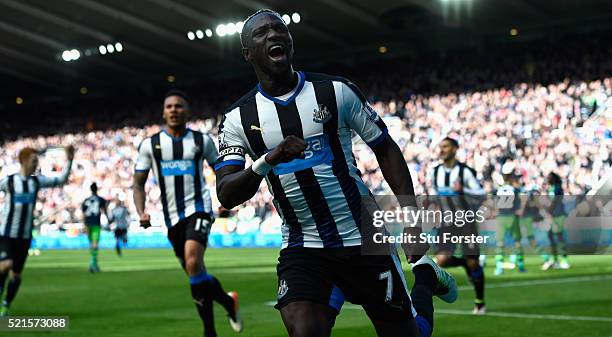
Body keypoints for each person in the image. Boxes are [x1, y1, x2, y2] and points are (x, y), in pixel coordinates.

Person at [215, 9, 457, 337]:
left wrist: (411, 221)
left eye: (279, 29)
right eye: (262, 33)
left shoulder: (336, 91)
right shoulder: (237, 119)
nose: (273, 34)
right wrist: (268, 159)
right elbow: (227, 192)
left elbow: (385, 148)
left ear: (290, 41)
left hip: (364, 237)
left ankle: (426, 278)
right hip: (304, 245)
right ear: (248, 53)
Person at [133, 90, 242, 337]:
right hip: (171, 218)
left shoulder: (201, 141)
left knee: (193, 263)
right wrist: (141, 211)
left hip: (199, 209)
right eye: (169, 106)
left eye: (178, 106)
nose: (174, 110)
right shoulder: (150, 145)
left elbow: (220, 170)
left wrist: (226, 198)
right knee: (197, 274)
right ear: (163, 112)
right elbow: (138, 183)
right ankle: (227, 301)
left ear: (187, 112)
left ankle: (209, 332)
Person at [0, 146, 74, 316]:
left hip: (24, 238)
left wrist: (69, 160)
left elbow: (61, 179)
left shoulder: (36, 182)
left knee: (16, 275)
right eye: (33, 161)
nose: (36, 164)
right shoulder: (9, 182)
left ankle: (5, 304)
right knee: (5, 265)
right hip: (6, 235)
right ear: (23, 161)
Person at [427, 137, 487, 314]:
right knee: (442, 260)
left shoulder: (465, 172)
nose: (442, 150)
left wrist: (463, 190)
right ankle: (465, 263)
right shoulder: (435, 172)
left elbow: (481, 194)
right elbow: (434, 195)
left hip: (466, 221)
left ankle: (480, 302)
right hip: (446, 222)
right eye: (441, 147)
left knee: (474, 263)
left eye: (446, 146)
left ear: (454, 149)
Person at [494, 162, 525, 275]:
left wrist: (495, 210)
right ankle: (520, 265)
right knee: (517, 242)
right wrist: (520, 209)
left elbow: (494, 202)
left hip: (502, 217)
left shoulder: (499, 188)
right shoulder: (515, 188)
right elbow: (523, 198)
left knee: (500, 243)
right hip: (512, 216)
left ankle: (499, 266)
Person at [542, 172, 570, 270]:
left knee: (558, 236)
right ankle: (556, 260)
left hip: (558, 215)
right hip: (553, 215)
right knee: (552, 236)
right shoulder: (550, 188)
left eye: (549, 177)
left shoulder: (557, 188)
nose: (548, 179)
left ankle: (563, 260)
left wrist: (549, 210)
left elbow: (555, 201)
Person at [81, 183, 109, 273]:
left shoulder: (86, 200)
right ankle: (93, 263)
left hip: (88, 224)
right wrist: (108, 221)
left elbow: (83, 214)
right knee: (95, 244)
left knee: (91, 244)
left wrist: (84, 225)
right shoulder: (100, 200)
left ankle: (94, 264)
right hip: (96, 223)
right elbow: (105, 211)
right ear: (97, 189)